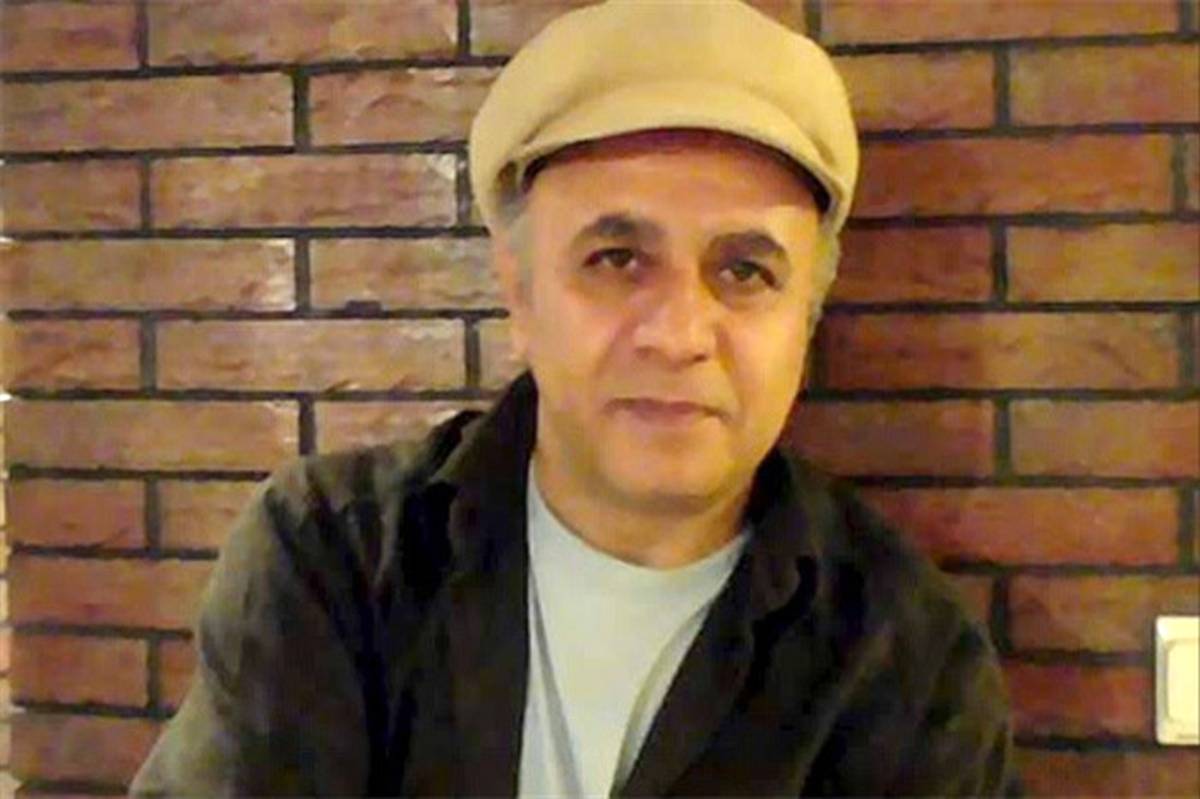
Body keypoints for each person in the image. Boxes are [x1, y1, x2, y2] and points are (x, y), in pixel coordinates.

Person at [131, 1, 1014, 795]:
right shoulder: (335, 563)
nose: (679, 333)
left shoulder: (909, 666)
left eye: (745, 271)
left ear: (806, 321)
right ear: (520, 295)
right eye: (617, 259)